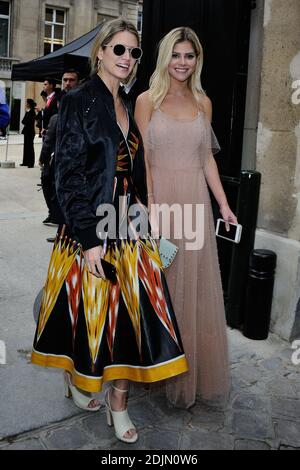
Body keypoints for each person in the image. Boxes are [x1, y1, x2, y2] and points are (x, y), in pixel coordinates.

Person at [31, 18, 188, 444]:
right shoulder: (78, 100)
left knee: (135, 320)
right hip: (92, 228)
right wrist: (89, 241)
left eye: (134, 52)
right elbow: (67, 176)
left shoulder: (128, 101)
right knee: (87, 320)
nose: (127, 58)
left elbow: (128, 170)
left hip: (130, 226)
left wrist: (141, 207)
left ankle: (119, 402)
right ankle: (79, 382)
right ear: (99, 51)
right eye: (119, 49)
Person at [135, 27, 237, 409]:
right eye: (176, 54)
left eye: (189, 56)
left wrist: (223, 204)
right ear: (166, 58)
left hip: (195, 203)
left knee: (192, 290)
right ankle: (154, 369)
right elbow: (143, 157)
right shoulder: (147, 100)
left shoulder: (203, 102)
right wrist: (152, 204)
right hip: (161, 205)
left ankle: (187, 373)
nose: (182, 62)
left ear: (197, 61)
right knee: (159, 289)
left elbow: (207, 158)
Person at [40, 71, 80, 226]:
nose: (68, 83)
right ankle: (57, 218)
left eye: (71, 80)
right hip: (59, 158)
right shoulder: (59, 101)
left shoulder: (83, 101)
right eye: (65, 80)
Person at [20, 99, 36, 168]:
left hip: (30, 132)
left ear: (29, 104)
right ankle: (25, 162)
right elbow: (23, 121)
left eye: (26, 103)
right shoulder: (28, 111)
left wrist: (26, 121)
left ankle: (31, 163)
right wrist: (26, 121)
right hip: (26, 131)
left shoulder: (32, 112)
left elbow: (27, 121)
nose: (26, 104)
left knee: (30, 147)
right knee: (26, 147)